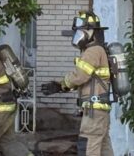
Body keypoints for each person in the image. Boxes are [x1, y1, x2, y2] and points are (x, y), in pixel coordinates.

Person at [41, 11, 114, 156]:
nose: (79, 34)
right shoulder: (98, 50)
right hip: (99, 110)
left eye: (82, 30)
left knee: (88, 148)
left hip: (93, 110)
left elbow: (80, 76)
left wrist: (61, 84)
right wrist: (62, 86)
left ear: (91, 31)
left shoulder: (92, 51)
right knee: (103, 148)